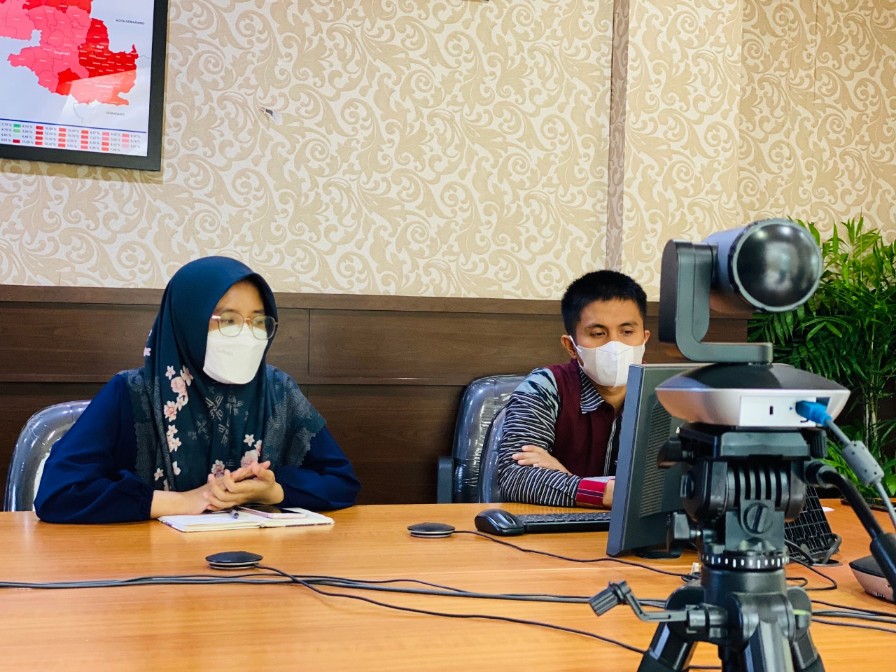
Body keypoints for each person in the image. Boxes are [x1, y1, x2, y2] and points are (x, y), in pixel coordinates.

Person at [34, 256, 360, 523]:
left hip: (258, 564)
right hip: (151, 566)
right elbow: (58, 494)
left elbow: (342, 481)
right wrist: (184, 501)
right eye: (228, 321)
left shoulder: (278, 390)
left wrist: (272, 492)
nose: (248, 335)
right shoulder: (133, 393)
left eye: (259, 321)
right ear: (187, 322)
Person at [495, 270, 650, 508]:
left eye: (627, 332)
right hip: (555, 527)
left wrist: (567, 479)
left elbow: (675, 484)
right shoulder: (544, 387)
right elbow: (515, 477)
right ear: (571, 346)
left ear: (644, 338)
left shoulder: (667, 392)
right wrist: (608, 494)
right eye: (598, 333)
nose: (615, 345)